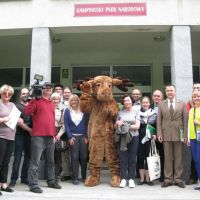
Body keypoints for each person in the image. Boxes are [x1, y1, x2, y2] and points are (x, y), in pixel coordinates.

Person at [24, 82, 62, 193]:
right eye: (47, 88)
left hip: (50, 136)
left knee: (50, 161)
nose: (49, 89)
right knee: (35, 162)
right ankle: (33, 184)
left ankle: (51, 181)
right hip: (38, 136)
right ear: (42, 89)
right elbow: (27, 112)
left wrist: (54, 134)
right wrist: (33, 99)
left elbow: (51, 120)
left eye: (51, 88)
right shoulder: (36, 101)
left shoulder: (51, 103)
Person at [157, 85, 188, 188]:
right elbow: (159, 121)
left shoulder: (182, 104)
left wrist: (185, 135)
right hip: (166, 134)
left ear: (175, 91)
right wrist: (159, 134)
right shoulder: (161, 104)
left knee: (178, 158)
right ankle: (168, 179)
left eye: (171, 90)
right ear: (166, 92)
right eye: (168, 90)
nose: (170, 92)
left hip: (179, 135)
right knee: (167, 158)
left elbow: (185, 121)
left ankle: (178, 179)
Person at [114, 94, 140, 188]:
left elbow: (137, 126)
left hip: (134, 137)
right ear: (123, 103)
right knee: (123, 158)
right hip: (122, 138)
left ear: (131, 101)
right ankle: (124, 179)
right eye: (125, 101)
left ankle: (131, 179)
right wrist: (118, 123)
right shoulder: (120, 113)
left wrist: (124, 125)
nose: (127, 102)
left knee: (132, 159)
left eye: (128, 100)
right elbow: (115, 126)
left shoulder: (136, 112)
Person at [0, 84, 21, 194]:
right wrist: (4, 119)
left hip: (11, 137)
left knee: (6, 162)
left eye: (9, 94)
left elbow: (16, 118)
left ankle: (3, 184)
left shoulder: (13, 105)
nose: (7, 95)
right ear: (1, 94)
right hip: (1, 137)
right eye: (5, 93)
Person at [9, 88, 32, 187]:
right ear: (20, 95)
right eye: (23, 93)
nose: (25, 95)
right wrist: (29, 130)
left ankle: (24, 178)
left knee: (28, 157)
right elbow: (18, 122)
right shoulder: (16, 106)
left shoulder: (32, 106)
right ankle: (13, 179)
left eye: (27, 93)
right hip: (19, 134)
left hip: (30, 136)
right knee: (17, 157)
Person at [64, 94, 89, 185]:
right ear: (69, 102)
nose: (74, 102)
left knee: (84, 157)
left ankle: (84, 176)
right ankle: (74, 177)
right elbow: (66, 125)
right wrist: (70, 137)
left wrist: (86, 136)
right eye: (72, 100)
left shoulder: (84, 110)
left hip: (83, 137)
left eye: (75, 100)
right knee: (74, 157)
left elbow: (87, 124)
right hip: (73, 137)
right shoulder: (67, 111)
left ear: (78, 101)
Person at [137, 96, 157, 186]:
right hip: (139, 138)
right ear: (141, 103)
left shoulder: (154, 113)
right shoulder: (137, 113)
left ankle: (148, 179)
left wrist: (155, 133)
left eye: (146, 102)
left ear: (149, 103)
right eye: (143, 102)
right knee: (140, 157)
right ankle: (142, 179)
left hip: (150, 138)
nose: (145, 104)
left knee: (149, 158)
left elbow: (156, 125)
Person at [54, 85, 72, 181]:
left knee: (73, 154)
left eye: (68, 92)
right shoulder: (58, 103)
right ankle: (65, 173)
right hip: (61, 131)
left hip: (72, 132)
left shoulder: (74, 103)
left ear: (71, 93)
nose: (67, 94)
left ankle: (73, 173)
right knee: (62, 153)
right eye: (65, 92)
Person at [51, 92, 66, 183]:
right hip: (48, 134)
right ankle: (49, 176)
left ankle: (55, 177)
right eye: (54, 99)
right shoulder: (47, 109)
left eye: (57, 99)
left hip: (57, 134)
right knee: (49, 157)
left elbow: (64, 125)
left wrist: (59, 135)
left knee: (57, 157)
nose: (56, 101)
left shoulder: (62, 111)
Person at [150, 90, 164, 182]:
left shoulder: (165, 106)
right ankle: (152, 174)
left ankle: (162, 175)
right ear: (152, 97)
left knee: (163, 155)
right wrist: (152, 134)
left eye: (158, 96)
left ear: (162, 97)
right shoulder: (149, 107)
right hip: (152, 135)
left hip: (163, 135)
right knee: (152, 155)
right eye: (155, 96)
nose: (156, 97)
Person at [188, 90, 200, 190]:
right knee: (196, 160)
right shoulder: (192, 110)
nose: (197, 98)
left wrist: (199, 123)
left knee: (199, 160)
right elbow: (189, 125)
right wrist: (188, 138)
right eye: (195, 97)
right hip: (193, 138)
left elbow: (196, 122)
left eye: (198, 96)